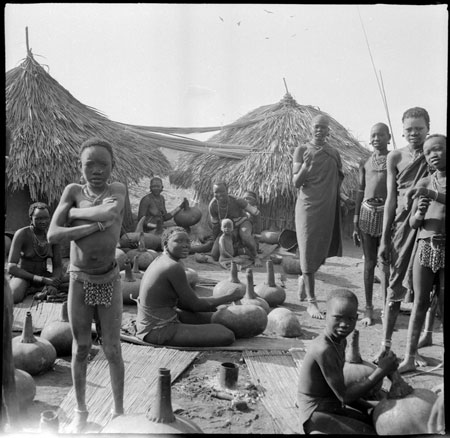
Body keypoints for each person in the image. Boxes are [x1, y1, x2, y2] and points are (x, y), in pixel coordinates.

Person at [47, 137, 126, 433]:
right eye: (89, 164)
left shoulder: (117, 190)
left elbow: (109, 213)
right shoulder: (72, 191)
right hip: (79, 280)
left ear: (112, 167)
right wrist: (92, 225)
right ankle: (81, 411)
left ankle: (118, 411)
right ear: (79, 168)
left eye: (103, 164)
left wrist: (75, 214)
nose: (96, 170)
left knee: (113, 349)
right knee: (80, 348)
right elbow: (54, 234)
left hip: (109, 278)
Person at [296, 289, 398, 434]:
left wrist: (368, 408)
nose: (344, 324)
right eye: (338, 317)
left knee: (377, 421)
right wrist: (380, 371)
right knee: (371, 431)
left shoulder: (340, 341)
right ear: (326, 315)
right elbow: (345, 396)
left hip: (333, 405)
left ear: (356, 318)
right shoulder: (324, 349)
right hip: (315, 413)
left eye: (350, 319)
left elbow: (341, 392)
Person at [375, 107, 431, 362]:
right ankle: (386, 345)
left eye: (419, 128)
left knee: (424, 289)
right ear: (402, 130)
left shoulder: (435, 153)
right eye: (409, 129)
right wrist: (385, 238)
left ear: (428, 128)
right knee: (394, 286)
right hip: (401, 224)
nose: (414, 134)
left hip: (429, 223)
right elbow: (390, 199)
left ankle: (414, 349)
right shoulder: (395, 157)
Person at [136, 226, 243, 347]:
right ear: (166, 244)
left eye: (187, 241)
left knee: (221, 318)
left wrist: (214, 307)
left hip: (162, 318)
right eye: (179, 241)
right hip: (158, 329)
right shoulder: (172, 267)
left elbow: (184, 303)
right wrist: (229, 297)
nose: (185, 245)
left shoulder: (163, 260)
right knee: (226, 334)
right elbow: (195, 305)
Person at [398, 134, 446, 373]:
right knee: (420, 302)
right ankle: (409, 356)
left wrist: (432, 196)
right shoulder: (426, 183)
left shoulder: (429, 189)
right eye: (428, 153)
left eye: (437, 149)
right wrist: (418, 214)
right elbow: (414, 223)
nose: (433, 155)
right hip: (425, 247)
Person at [292, 115, 344, 319]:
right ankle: (312, 302)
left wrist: (343, 198)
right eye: (316, 127)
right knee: (307, 246)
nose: (320, 130)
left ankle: (304, 278)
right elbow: (296, 182)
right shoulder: (302, 150)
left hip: (327, 206)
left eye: (323, 127)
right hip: (308, 206)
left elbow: (336, 180)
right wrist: (305, 166)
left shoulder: (333, 153)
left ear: (328, 130)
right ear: (310, 128)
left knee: (321, 248)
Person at [352, 123, 390, 326]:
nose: (376, 138)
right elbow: (360, 190)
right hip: (367, 216)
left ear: (389, 137)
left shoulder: (394, 160)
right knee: (369, 264)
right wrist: (355, 221)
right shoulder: (365, 162)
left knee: (385, 264)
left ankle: (386, 308)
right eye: (373, 135)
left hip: (386, 216)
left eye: (380, 135)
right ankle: (368, 309)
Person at [7, 202, 65, 304]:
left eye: (46, 218)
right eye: (38, 218)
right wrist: (42, 280)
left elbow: (57, 267)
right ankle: (34, 288)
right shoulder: (22, 234)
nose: (43, 222)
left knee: (76, 283)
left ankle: (39, 289)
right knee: (12, 296)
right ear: (31, 218)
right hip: (24, 276)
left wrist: (53, 283)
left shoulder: (52, 236)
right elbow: (11, 267)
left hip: (45, 276)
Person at [208, 182, 262, 267]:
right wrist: (216, 240)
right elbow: (215, 226)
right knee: (214, 255)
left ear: (227, 190)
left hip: (243, 223)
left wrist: (257, 237)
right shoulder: (213, 205)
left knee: (245, 235)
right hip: (228, 227)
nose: (219, 194)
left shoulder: (237, 200)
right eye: (216, 192)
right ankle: (241, 250)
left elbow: (257, 213)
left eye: (222, 191)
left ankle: (255, 256)